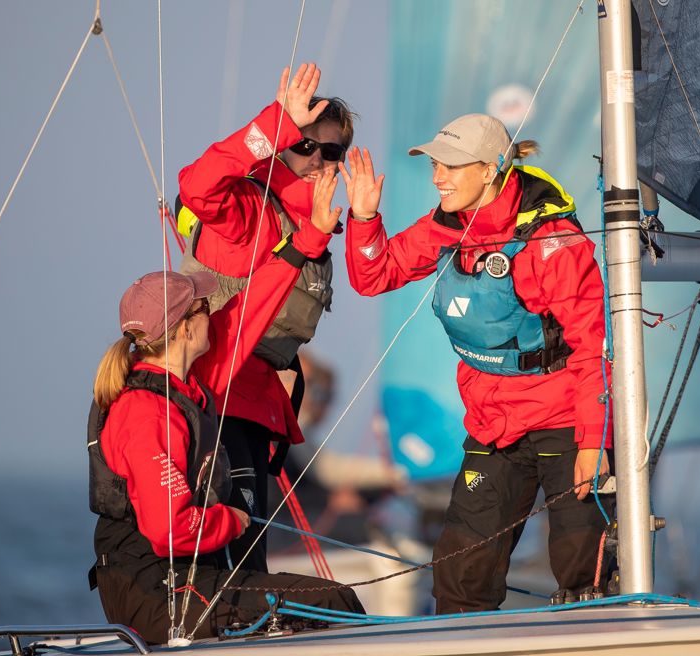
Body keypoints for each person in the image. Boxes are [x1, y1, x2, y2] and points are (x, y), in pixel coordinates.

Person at [340, 114, 614, 613]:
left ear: (490, 170)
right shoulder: (447, 227)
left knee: (583, 564)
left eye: (450, 165)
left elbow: (592, 344)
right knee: (461, 571)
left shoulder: (551, 241)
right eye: (434, 165)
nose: (437, 176)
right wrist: (362, 218)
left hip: (565, 421)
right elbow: (374, 275)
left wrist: (596, 442)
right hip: (493, 424)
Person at [87, 172, 363, 644]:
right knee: (335, 603)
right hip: (158, 596)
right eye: (203, 306)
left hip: (183, 586)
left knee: (330, 600)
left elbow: (254, 303)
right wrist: (232, 520)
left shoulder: (187, 383)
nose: (213, 309)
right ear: (186, 327)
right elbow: (171, 531)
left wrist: (310, 238)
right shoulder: (145, 410)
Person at [176, 63, 356, 572]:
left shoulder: (316, 223)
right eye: (305, 145)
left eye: (332, 151)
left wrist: (365, 218)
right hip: (215, 402)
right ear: (283, 145)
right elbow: (197, 186)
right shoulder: (248, 207)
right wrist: (279, 121)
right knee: (226, 563)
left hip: (257, 409)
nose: (319, 159)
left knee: (250, 560)